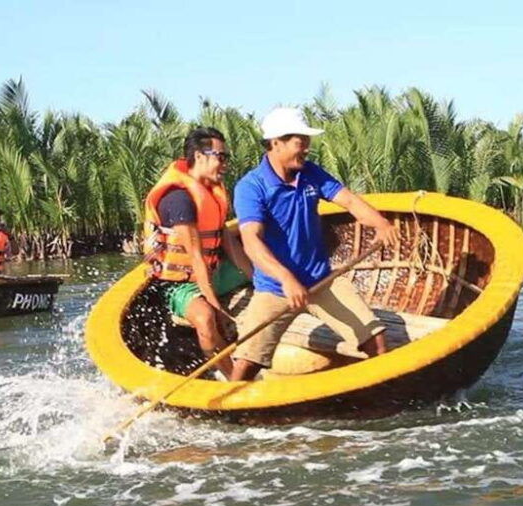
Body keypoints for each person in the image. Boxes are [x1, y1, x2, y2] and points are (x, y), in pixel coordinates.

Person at [230, 107, 401, 381]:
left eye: (307, 141)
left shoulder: (311, 173)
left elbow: (349, 201)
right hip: (276, 288)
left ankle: (384, 397)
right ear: (276, 143)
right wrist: (286, 278)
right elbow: (251, 241)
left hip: (321, 282)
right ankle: (229, 405)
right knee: (246, 364)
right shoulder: (251, 187)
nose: (307, 148)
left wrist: (381, 224)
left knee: (376, 341)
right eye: (301, 142)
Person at [143, 127, 253, 379]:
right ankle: (232, 377)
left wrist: (258, 277)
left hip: (213, 272)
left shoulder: (211, 191)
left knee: (268, 268)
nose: (225, 164)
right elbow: (195, 258)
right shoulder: (178, 199)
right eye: (221, 157)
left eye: (226, 157)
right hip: (179, 283)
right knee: (205, 319)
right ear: (199, 156)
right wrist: (216, 307)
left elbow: (228, 242)